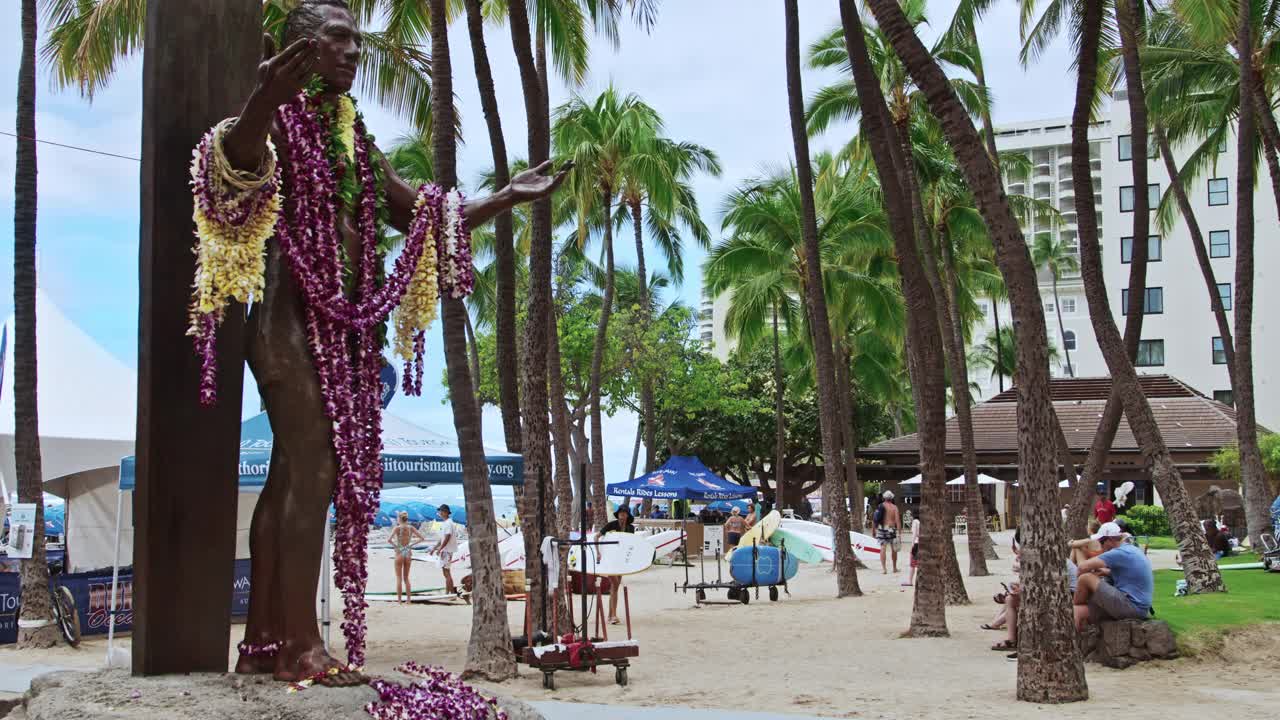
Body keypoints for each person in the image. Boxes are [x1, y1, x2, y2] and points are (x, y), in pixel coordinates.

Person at [198, 0, 567, 686]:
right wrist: (262, 101)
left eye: (355, 42)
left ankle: (267, 642)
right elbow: (235, 162)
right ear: (303, 48)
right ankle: (302, 646)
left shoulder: (351, 137)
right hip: (286, 329)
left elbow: (415, 210)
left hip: (337, 334)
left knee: (291, 479)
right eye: (338, 40)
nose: (353, 53)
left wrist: (505, 197)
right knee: (312, 473)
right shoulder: (276, 115)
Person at [1073, 522, 1154, 630]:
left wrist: (1076, 548)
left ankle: (1074, 604)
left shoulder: (1120, 552)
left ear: (1110, 539)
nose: (1100, 545)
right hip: (1138, 608)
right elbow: (1129, 574)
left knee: (1085, 578)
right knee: (1078, 611)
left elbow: (1082, 568)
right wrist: (1105, 572)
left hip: (1132, 607)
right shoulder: (1131, 549)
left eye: (1101, 541)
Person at [600, 505, 635, 625]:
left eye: (624, 513)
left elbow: (631, 544)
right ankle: (613, 615)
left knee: (614, 588)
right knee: (614, 584)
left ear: (628, 515)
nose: (622, 515)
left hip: (621, 561)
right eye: (620, 512)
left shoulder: (631, 528)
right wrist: (598, 553)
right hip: (610, 560)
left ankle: (610, 615)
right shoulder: (612, 525)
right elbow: (597, 536)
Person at [390, 511, 426, 604]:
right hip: (408, 551)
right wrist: (411, 545)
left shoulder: (397, 528)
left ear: (399, 519)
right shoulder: (411, 528)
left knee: (399, 578)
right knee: (406, 578)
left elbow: (389, 540)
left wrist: (396, 546)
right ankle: (408, 600)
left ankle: (399, 601)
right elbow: (422, 538)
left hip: (400, 551)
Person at [432, 505, 460, 596]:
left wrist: (440, 549)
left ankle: (451, 593)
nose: (439, 513)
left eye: (440, 511)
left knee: (447, 572)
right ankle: (448, 592)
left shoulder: (448, 523)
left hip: (447, 550)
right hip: (445, 550)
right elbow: (442, 538)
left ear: (444, 512)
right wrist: (434, 548)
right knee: (445, 572)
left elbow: (447, 537)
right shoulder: (445, 523)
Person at [875, 491, 902, 574]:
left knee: (883, 548)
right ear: (892, 498)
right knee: (894, 549)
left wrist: (874, 529)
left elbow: (875, 518)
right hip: (891, 529)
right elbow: (897, 521)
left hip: (882, 528)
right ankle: (894, 568)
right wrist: (899, 533)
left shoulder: (880, 506)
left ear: (884, 498)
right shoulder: (894, 507)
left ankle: (884, 569)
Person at [903, 509, 921, 586]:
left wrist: (912, 545)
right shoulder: (921, 521)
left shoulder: (915, 522)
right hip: (922, 543)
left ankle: (910, 581)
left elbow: (914, 534)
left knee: (912, 564)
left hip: (916, 543)